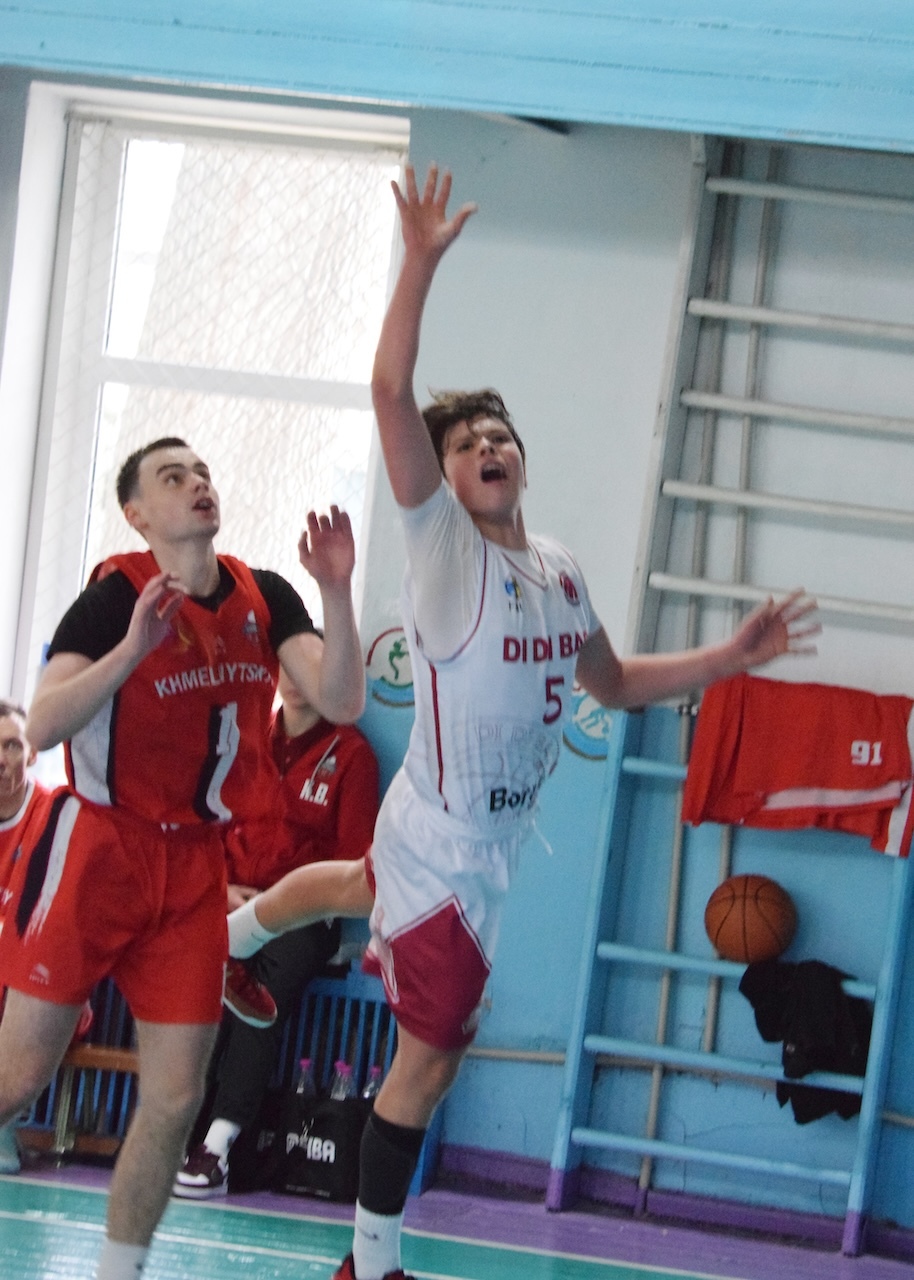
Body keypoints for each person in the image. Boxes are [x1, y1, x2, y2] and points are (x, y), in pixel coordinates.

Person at [226, 166, 819, 1280]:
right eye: (465, 444)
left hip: (474, 841)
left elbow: (616, 680)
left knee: (361, 886)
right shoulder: (446, 552)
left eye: (499, 434)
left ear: (522, 458)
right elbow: (390, 391)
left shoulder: (558, 568)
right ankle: (369, 1263)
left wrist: (728, 657)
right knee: (429, 1061)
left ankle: (232, 939)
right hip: (446, 846)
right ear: (444, 481)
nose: (486, 446)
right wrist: (419, 263)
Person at [0, 437, 364, 1280]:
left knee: (173, 1099)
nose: (198, 483)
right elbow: (44, 724)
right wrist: (132, 649)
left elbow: (342, 698)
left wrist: (337, 592)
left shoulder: (264, 595)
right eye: (173, 477)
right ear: (137, 514)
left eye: (201, 472)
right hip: (100, 848)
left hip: (196, 865)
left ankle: (117, 1270)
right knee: (17, 1076)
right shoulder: (111, 598)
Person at [174, 668, 379, 1198]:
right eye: (288, 667)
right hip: (229, 903)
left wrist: (280, 904)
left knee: (256, 996)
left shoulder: (353, 756)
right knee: (195, 982)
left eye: (313, 670)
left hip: (303, 919)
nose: (296, 681)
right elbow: (206, 832)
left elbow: (353, 867)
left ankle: (217, 1147)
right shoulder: (244, 744)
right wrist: (223, 891)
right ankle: (174, 1132)